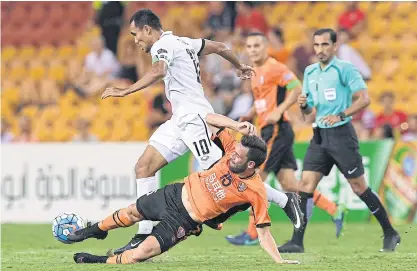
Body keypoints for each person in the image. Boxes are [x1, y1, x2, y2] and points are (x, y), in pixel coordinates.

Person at [99, 9, 256, 255]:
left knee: (222, 172)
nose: (135, 40)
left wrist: (124, 91)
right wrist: (240, 65)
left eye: (135, 34)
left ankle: (274, 200)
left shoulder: (163, 45)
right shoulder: (184, 42)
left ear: (147, 29)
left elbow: (159, 70)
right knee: (144, 167)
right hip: (179, 120)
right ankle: (143, 234)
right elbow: (219, 46)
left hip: (196, 118)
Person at [70, 113, 300, 265]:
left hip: (185, 220)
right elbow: (208, 119)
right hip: (174, 194)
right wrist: (233, 125)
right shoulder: (231, 149)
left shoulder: (256, 191)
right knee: (132, 212)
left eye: (239, 156)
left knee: (142, 253)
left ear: (251, 165)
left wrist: (279, 261)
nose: (233, 155)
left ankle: (98, 261)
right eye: (236, 150)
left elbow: (263, 233)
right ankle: (95, 230)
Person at [281, 28, 400, 253]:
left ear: (335, 47)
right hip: (319, 135)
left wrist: (342, 114)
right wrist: (303, 104)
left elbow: (364, 99)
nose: (320, 50)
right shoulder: (310, 72)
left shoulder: (345, 69)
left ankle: (390, 232)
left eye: (325, 45)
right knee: (305, 186)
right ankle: (297, 241)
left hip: (341, 134)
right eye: (316, 45)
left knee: (358, 187)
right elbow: (308, 113)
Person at [226, 32, 345, 247]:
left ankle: (252, 233)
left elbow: (297, 88)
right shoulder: (254, 72)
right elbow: (262, 99)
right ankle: (333, 209)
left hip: (277, 130)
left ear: (266, 47)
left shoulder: (275, 67)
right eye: (249, 46)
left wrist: (280, 110)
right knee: (290, 184)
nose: (252, 50)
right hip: (268, 129)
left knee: (254, 178)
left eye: (256, 46)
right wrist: (250, 112)